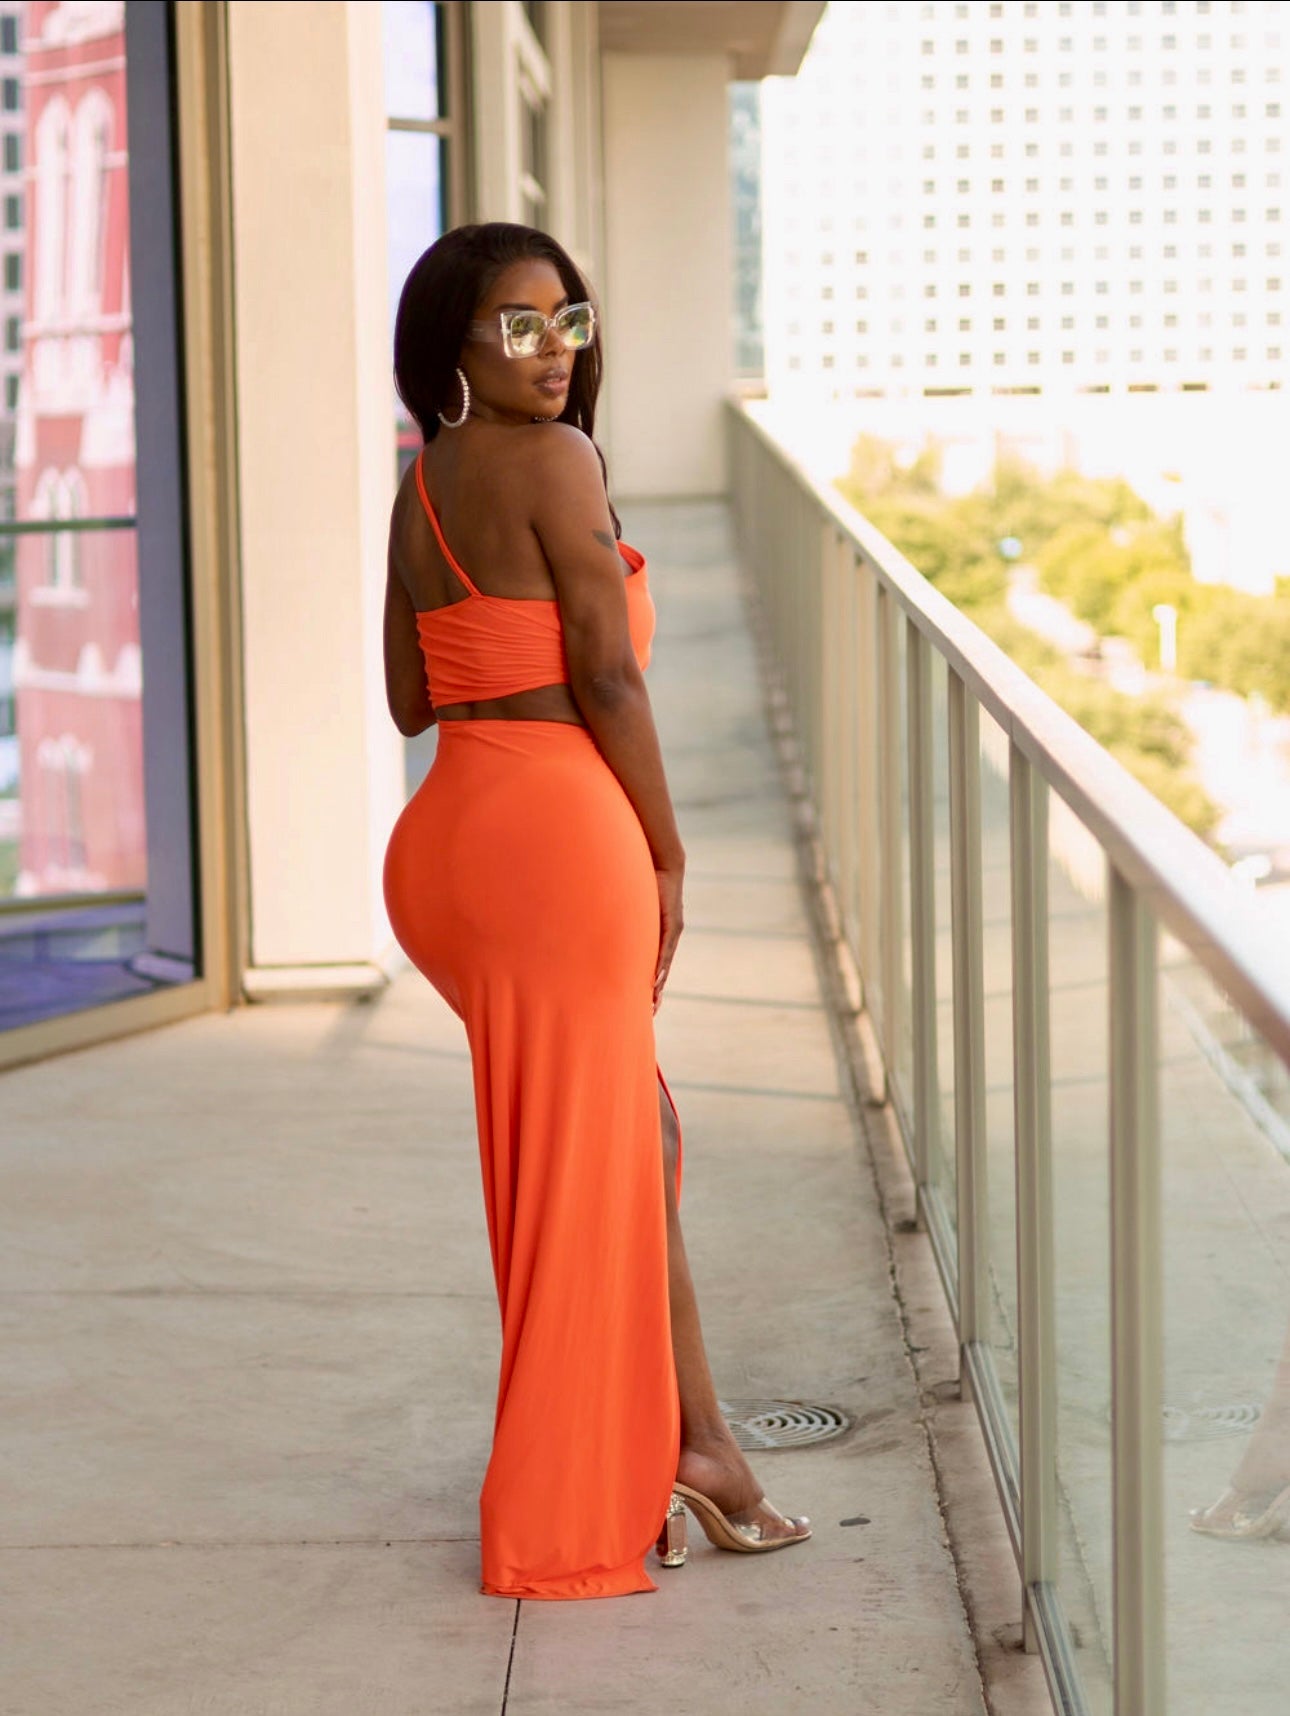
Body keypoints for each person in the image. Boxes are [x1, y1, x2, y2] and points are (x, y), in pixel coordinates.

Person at [381, 222, 810, 1600]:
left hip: (449, 843)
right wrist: (667, 853)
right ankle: (571, 1506)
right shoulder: (558, 462)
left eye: (567, 318)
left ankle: (697, 1449)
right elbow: (608, 680)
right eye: (518, 326)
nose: (554, 350)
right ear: (454, 344)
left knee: (627, 1144)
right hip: (557, 845)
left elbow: (410, 699)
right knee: (590, 1167)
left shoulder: (421, 484)